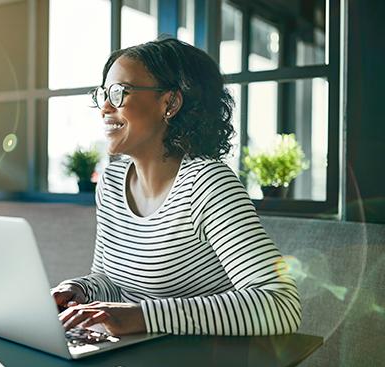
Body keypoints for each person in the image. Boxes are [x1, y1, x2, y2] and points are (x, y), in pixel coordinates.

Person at [52, 37, 301, 337]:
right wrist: (79, 290)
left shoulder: (209, 185)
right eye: (103, 93)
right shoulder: (111, 181)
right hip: (137, 359)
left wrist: (143, 316)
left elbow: (280, 303)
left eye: (119, 93)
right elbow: (111, 280)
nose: (105, 107)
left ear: (170, 103)